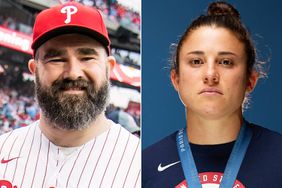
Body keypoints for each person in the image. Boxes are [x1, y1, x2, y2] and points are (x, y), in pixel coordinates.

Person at [0, 2, 140, 188]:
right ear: (35, 71)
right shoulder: (3, 149)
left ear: (108, 68)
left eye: (87, 57)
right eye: (56, 59)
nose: (73, 72)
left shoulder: (142, 165)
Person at [142, 1, 282, 187]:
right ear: (176, 79)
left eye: (225, 62)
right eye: (196, 61)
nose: (210, 75)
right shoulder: (144, 167)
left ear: (250, 80)